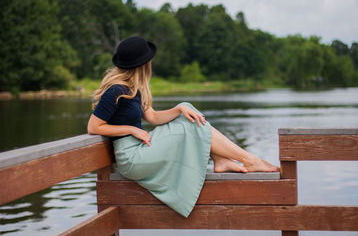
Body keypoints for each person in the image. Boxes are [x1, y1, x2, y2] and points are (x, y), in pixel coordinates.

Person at [87, 36, 279, 218]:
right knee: (189, 123)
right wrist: (130, 130)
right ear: (143, 64)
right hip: (131, 157)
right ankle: (248, 160)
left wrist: (179, 108)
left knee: (187, 112)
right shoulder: (116, 91)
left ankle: (221, 159)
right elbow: (93, 127)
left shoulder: (134, 89)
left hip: (140, 148)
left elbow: (153, 117)